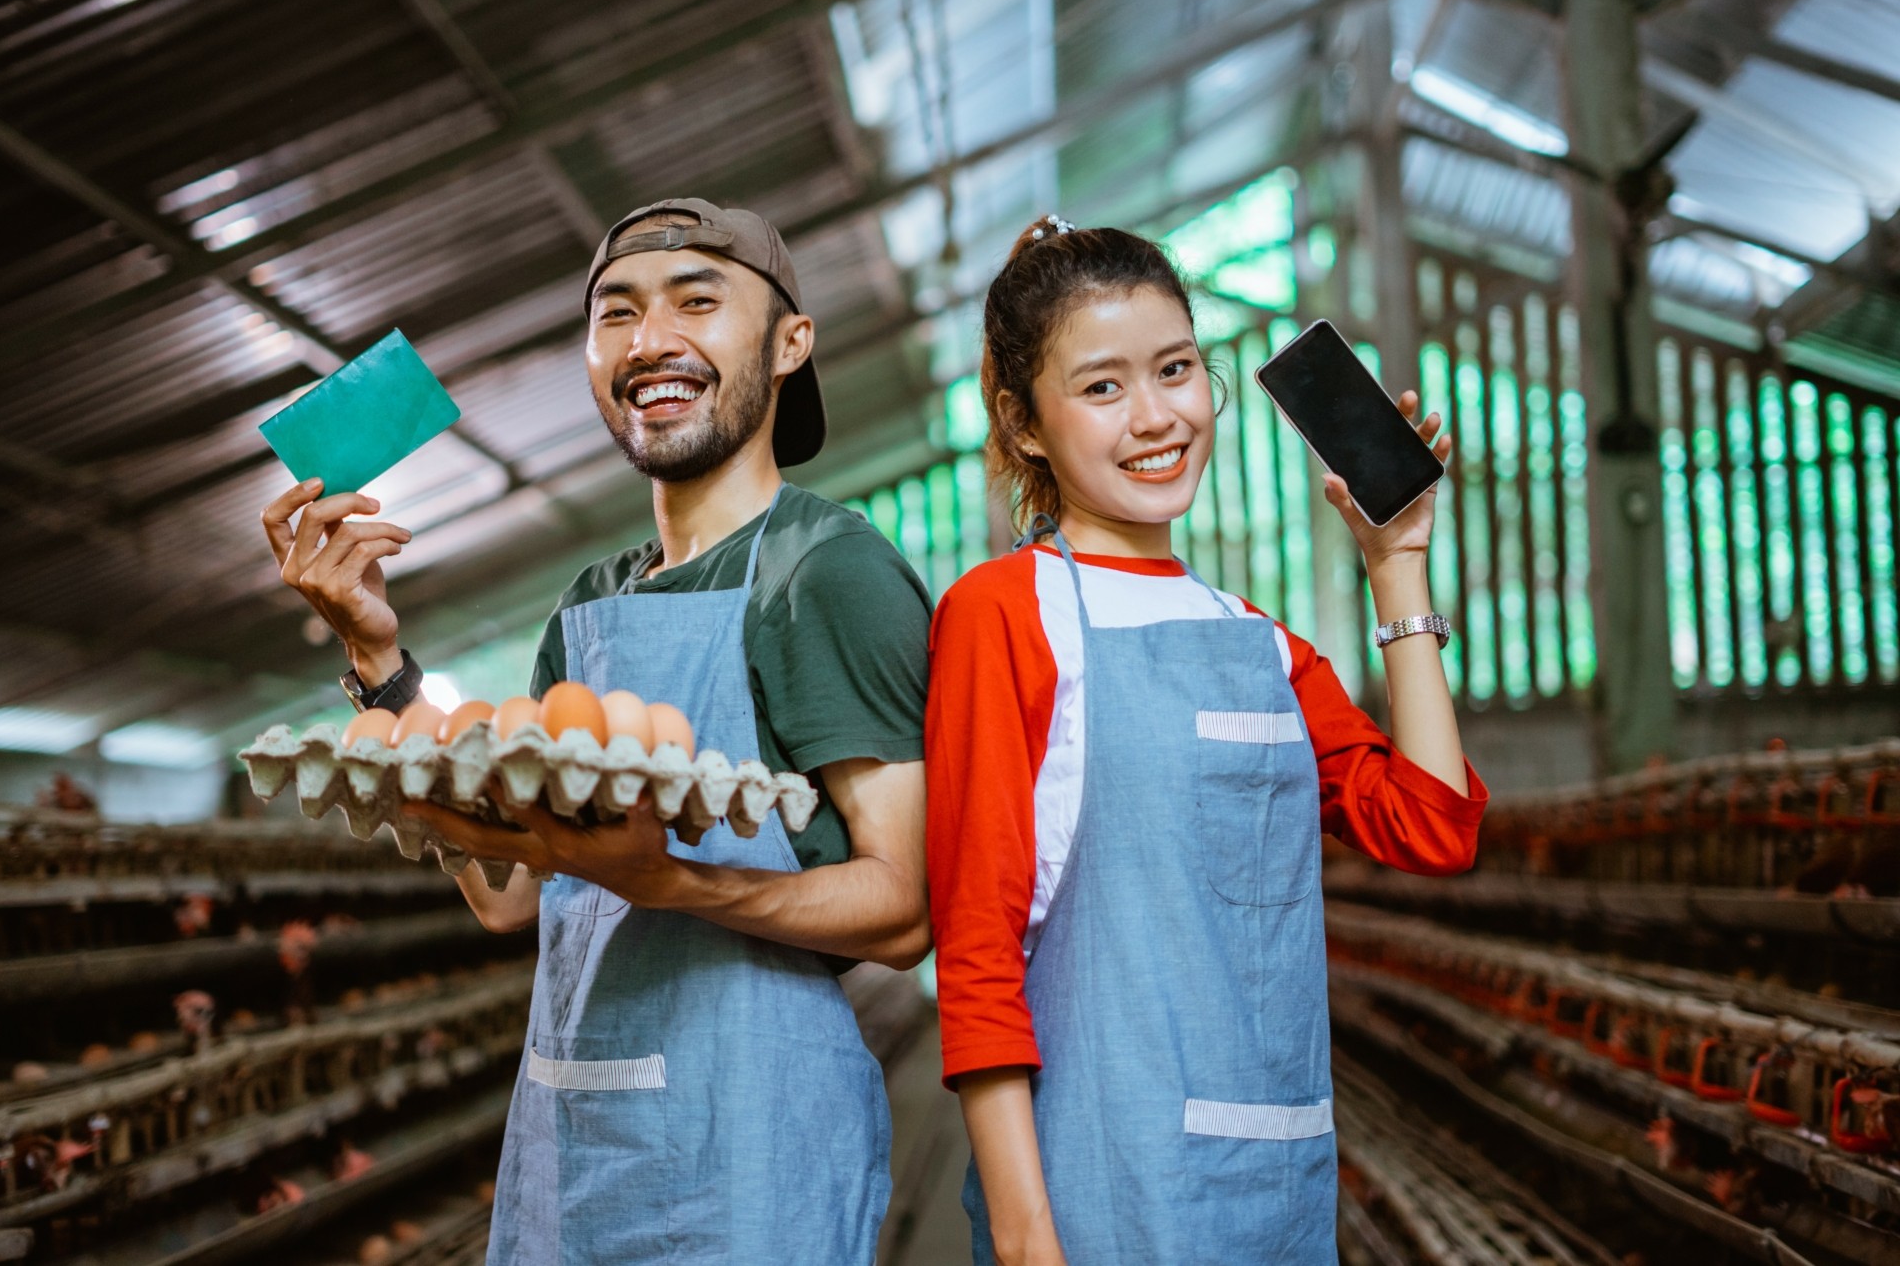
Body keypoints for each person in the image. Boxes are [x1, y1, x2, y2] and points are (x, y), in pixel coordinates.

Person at [259, 199, 933, 1265]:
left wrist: (668, 881)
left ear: (790, 342)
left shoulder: (824, 570)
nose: (649, 340)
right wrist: (377, 659)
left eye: (697, 303)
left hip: (747, 1154)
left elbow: (902, 910)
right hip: (573, 1134)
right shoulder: (590, 604)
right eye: (616, 313)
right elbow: (507, 896)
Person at [925, 216, 1488, 1264]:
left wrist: (1395, 566)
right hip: (1098, 1197)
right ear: (1024, 424)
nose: (1156, 416)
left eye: (1175, 369)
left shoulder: (1260, 645)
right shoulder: (1003, 614)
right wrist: (1025, 1238)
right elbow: (976, 945)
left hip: (1271, 1196)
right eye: (1102, 386)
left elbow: (1431, 828)